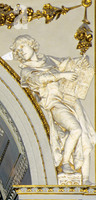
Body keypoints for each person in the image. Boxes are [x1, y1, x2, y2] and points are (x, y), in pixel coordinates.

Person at [10, 35, 96, 184]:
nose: (20, 51)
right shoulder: (26, 71)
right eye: (18, 50)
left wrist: (80, 63)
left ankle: (86, 179)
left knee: (85, 139)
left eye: (22, 46)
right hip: (55, 104)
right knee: (76, 129)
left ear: (32, 45)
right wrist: (62, 75)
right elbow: (39, 79)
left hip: (70, 100)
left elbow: (66, 63)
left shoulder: (49, 60)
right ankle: (65, 163)